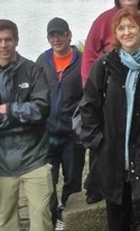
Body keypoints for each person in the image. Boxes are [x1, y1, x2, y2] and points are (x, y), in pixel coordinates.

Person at [79, 9, 140, 231]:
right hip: (113, 149)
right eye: (121, 28)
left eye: (131, 26)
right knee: (117, 207)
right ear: (116, 33)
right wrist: (98, 141)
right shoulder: (106, 65)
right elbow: (89, 104)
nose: (127, 32)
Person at [82, 0, 140, 203]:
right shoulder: (103, 20)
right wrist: (93, 87)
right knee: (104, 145)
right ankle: (97, 188)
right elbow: (89, 55)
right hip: (110, 94)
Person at [0, 19, 52, 231]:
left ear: (16, 41)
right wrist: (23, 115)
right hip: (0, 161)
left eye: (8, 39)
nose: (3, 45)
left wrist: (8, 109)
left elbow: (41, 111)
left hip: (35, 157)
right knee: (6, 219)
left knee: (42, 216)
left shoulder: (33, 71)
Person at [36, 18, 86, 230]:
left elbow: (89, 95)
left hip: (73, 135)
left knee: (72, 181)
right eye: (52, 35)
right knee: (46, 182)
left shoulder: (82, 61)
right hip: (46, 134)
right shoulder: (42, 61)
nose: (56, 39)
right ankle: (52, 217)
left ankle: (69, 218)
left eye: (60, 34)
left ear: (69, 35)